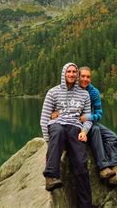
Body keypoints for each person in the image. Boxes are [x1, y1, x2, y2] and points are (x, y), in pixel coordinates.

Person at [53, 66, 117, 185]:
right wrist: (56, 113)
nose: (85, 79)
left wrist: (88, 117)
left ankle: (116, 171)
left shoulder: (93, 92)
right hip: (72, 124)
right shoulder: (70, 89)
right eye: (82, 76)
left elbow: (99, 114)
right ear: (78, 77)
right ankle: (103, 167)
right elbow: (60, 105)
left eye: (88, 77)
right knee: (95, 130)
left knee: (112, 136)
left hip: (88, 122)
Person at [40, 62, 93, 208]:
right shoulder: (53, 92)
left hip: (75, 128)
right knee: (57, 131)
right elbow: (44, 119)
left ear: (77, 74)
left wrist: (84, 131)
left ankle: (85, 204)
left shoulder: (84, 94)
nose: (71, 74)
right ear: (64, 73)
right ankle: (51, 176)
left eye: (74, 72)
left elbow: (87, 118)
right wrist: (48, 141)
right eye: (68, 72)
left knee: (81, 164)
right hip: (57, 125)